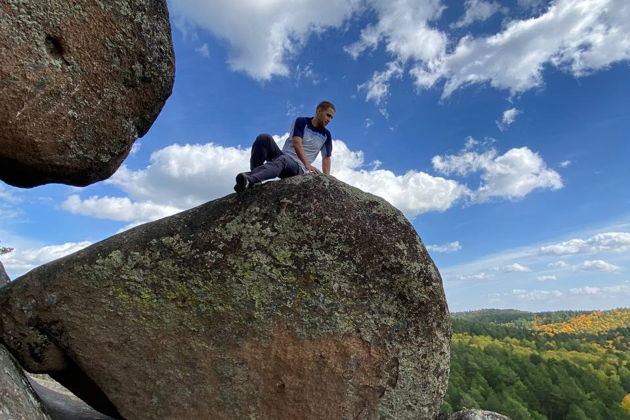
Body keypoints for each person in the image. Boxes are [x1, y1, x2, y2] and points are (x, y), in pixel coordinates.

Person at [234, 101, 335, 192]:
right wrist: (308, 163)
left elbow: (326, 158)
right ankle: (254, 181)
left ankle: (250, 179)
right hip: (283, 158)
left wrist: (326, 179)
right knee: (264, 138)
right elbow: (297, 143)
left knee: (284, 159)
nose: (329, 120)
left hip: (299, 168)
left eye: (331, 117)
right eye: (328, 115)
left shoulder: (326, 135)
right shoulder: (302, 122)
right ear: (319, 110)